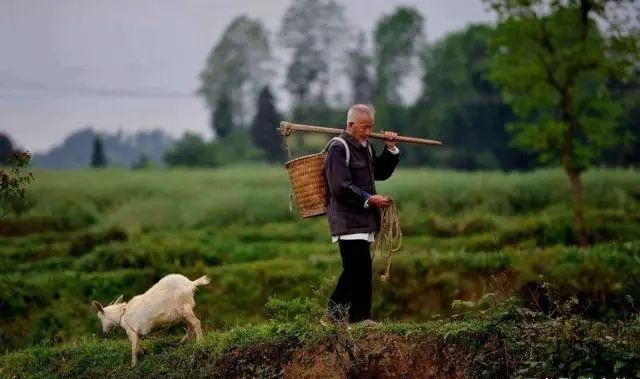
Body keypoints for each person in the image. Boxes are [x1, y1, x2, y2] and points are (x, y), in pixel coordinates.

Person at [322, 104, 399, 326]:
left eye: (371, 127)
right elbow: (340, 186)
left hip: (364, 220)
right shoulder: (338, 147)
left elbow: (380, 173)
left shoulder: (366, 147)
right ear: (350, 125)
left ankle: (335, 317)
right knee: (359, 269)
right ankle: (358, 318)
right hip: (346, 220)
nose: (368, 132)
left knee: (355, 271)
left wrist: (390, 149)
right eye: (364, 128)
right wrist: (368, 198)